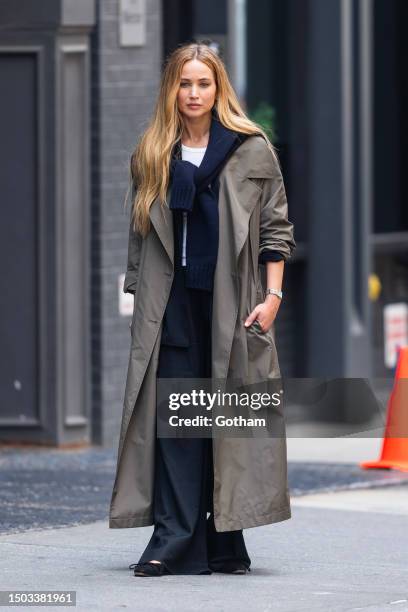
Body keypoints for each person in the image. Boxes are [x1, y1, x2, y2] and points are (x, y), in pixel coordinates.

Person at [108, 42, 296, 577]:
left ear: (218, 89)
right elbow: (139, 235)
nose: (194, 93)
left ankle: (223, 539)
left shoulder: (250, 150)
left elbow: (276, 228)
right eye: (184, 83)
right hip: (170, 305)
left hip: (232, 305)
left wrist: (273, 298)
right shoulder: (153, 152)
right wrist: (137, 297)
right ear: (172, 89)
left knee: (226, 421)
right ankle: (172, 536)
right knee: (175, 422)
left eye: (203, 84)